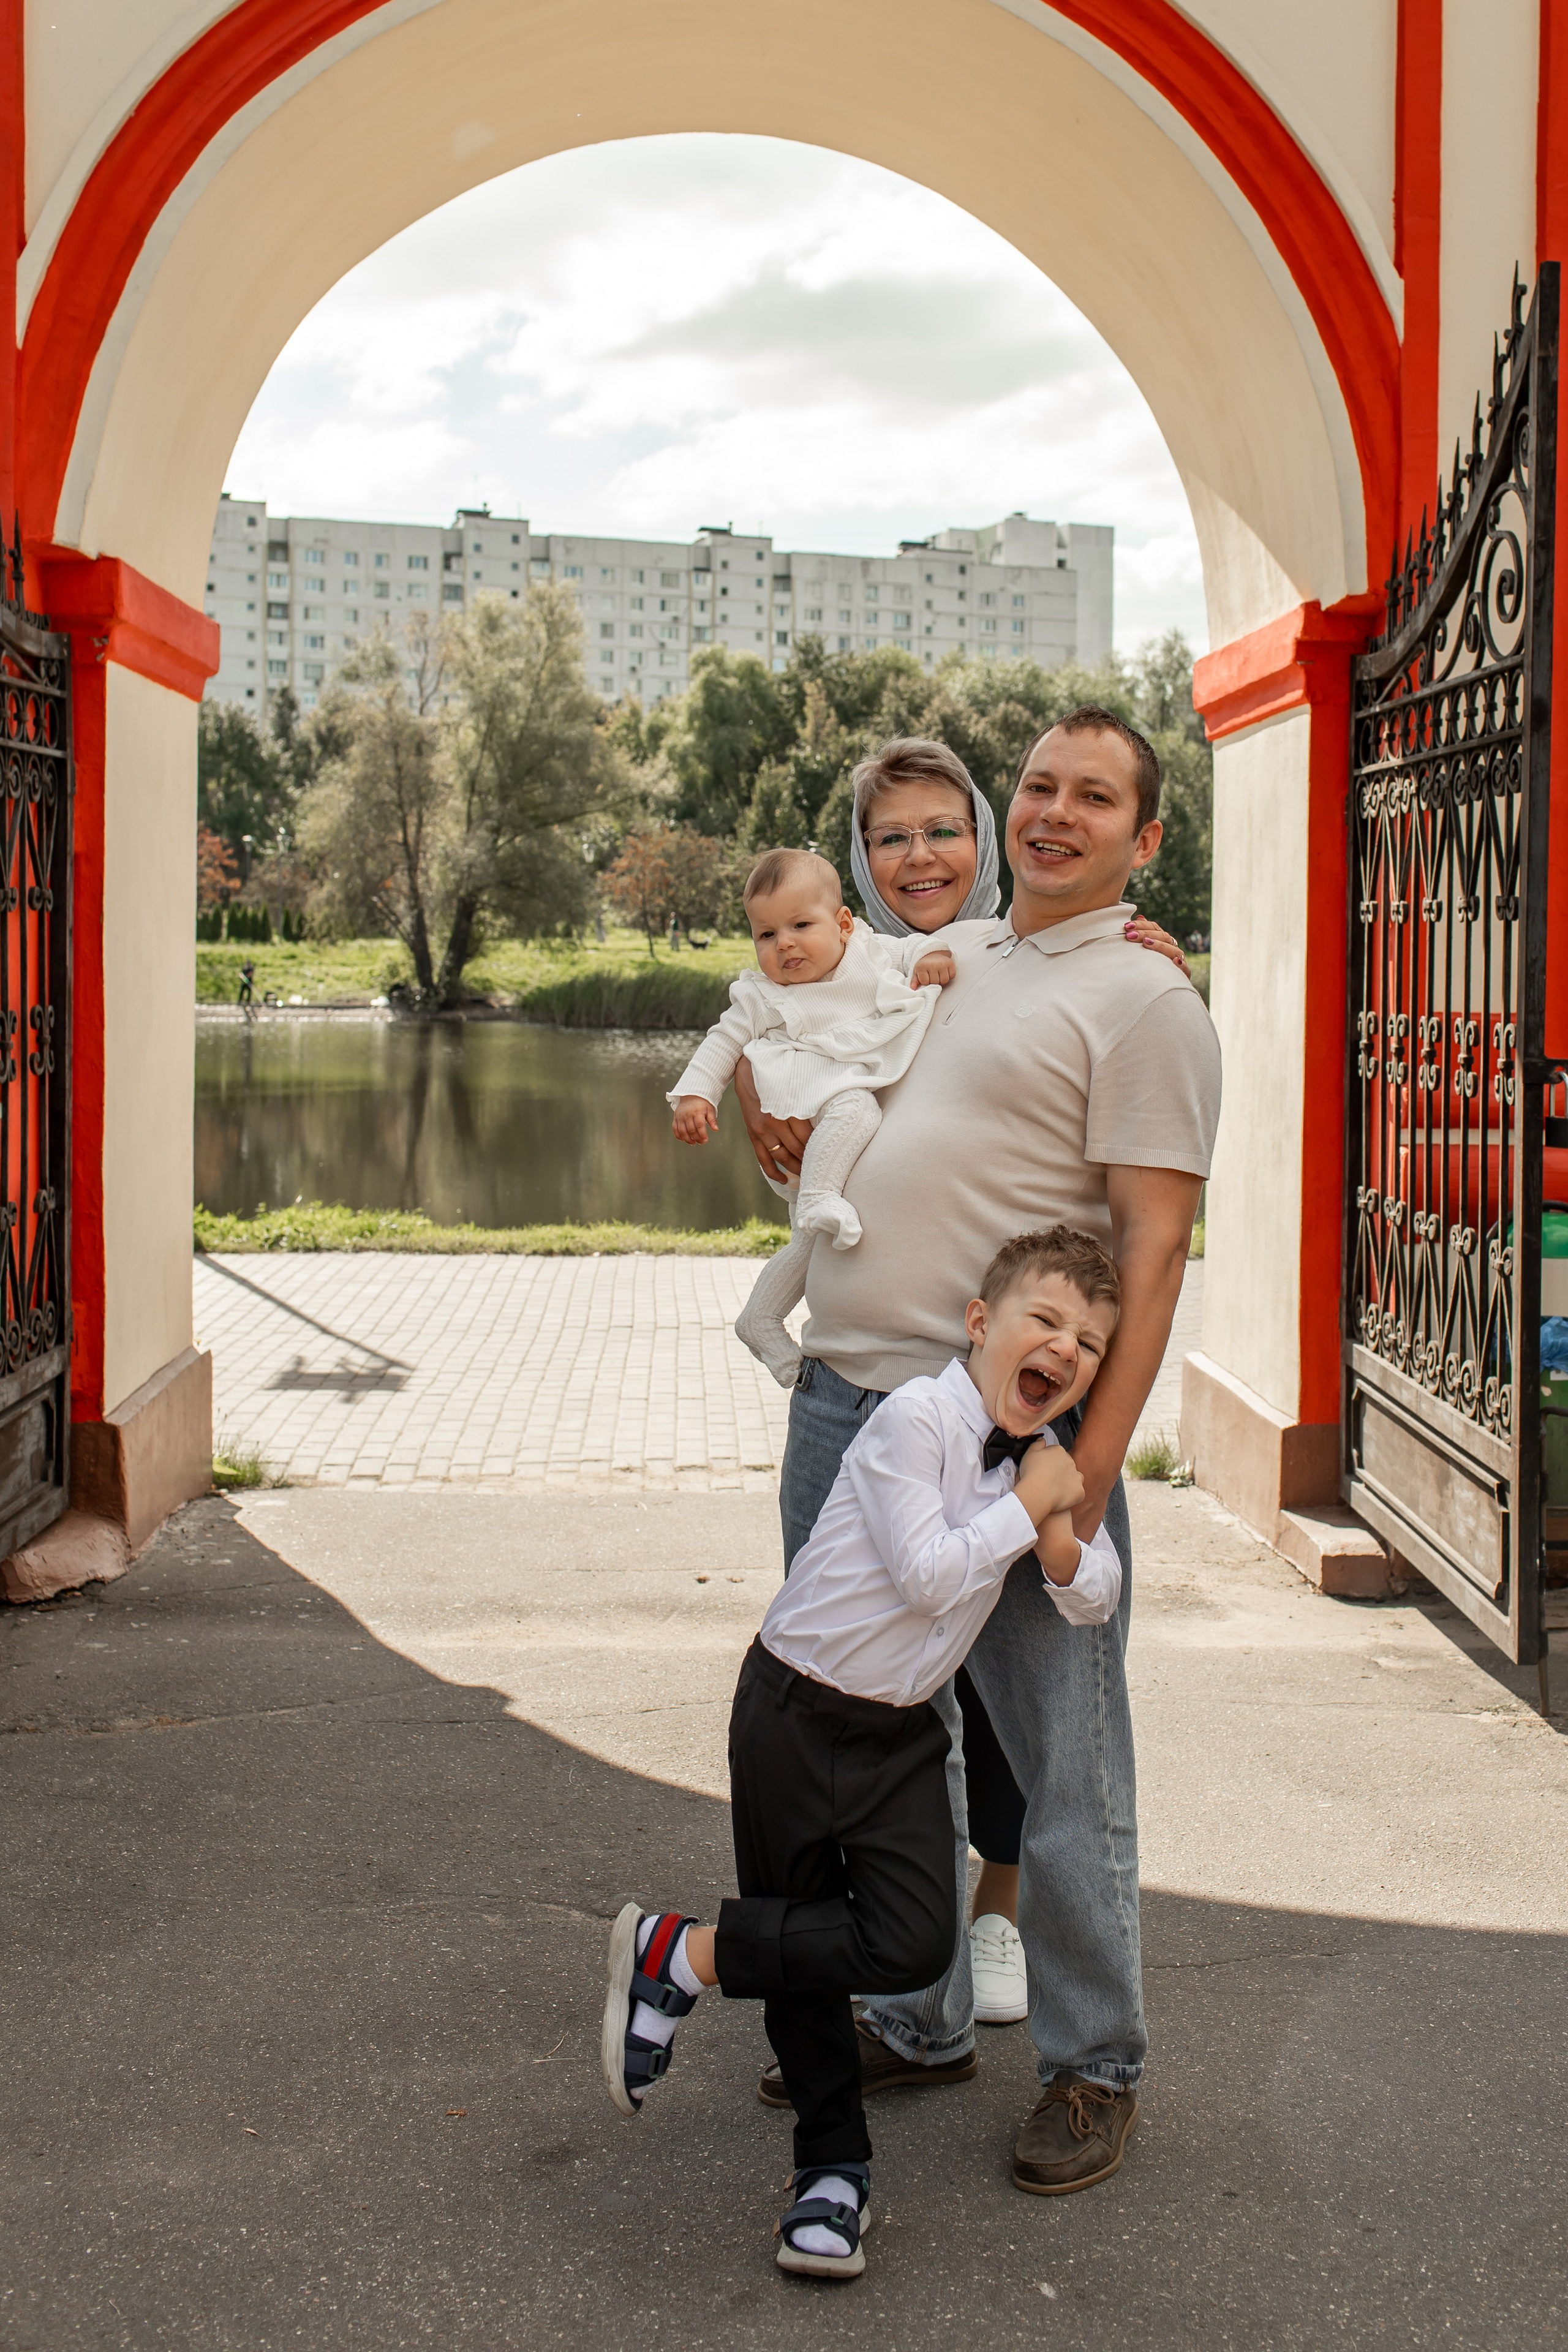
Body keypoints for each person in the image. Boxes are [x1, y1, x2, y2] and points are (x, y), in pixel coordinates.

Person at [737, 713, 1221, 2196]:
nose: (1050, 812)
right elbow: (819, 1031)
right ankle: (918, 2010)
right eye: (1036, 787)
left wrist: (1084, 1457)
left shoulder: (1145, 998)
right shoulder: (955, 953)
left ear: (1146, 840)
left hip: (1015, 1430)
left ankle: (1091, 2064)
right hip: (854, 1401)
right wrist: (774, 1105)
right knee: (876, 1737)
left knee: (1060, 1757)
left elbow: (1151, 1249)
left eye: (1094, 797)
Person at [601, 1229, 1122, 2280]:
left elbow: (1094, 1594)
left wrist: (1060, 1531)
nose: (1067, 1351)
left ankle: (685, 1957)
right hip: (793, 1711)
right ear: (981, 1325)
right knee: (804, 1962)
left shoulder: (1042, 1462)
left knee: (914, 1944)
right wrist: (1028, 1508)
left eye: (1092, 1345)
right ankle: (830, 2180)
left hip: (898, 1735)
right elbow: (930, 1575)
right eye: (1047, 1321)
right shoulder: (911, 1425)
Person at [668, 846, 955, 1387]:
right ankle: (822, 1198)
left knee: (806, 1243)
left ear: (844, 924)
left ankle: (761, 1321)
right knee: (858, 1107)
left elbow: (915, 947)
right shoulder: (761, 994)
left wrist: (928, 957)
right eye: (767, 935)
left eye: (801, 925)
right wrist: (695, 1096)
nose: (785, 945)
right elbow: (722, 1041)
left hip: (829, 1146)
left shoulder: (869, 953)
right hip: (800, 1117)